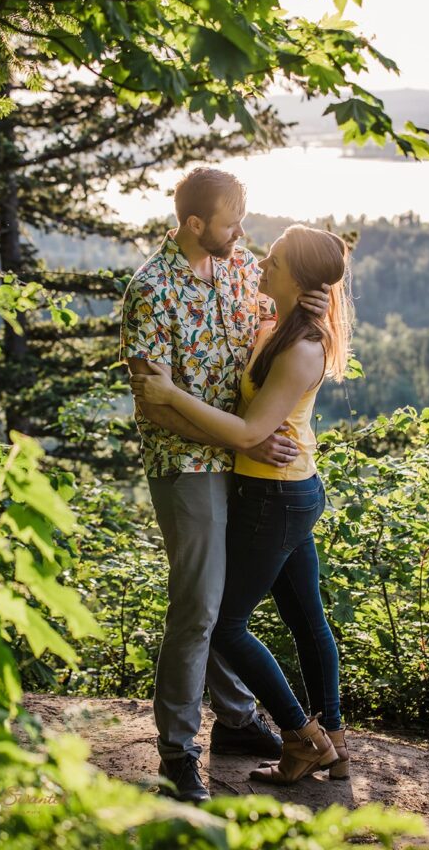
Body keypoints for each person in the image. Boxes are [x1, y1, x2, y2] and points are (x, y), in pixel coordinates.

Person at [119, 168, 329, 802]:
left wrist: (309, 306)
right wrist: (242, 436)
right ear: (194, 224)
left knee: (216, 602)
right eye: (232, 221)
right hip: (186, 464)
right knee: (201, 608)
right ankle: (177, 753)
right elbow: (154, 405)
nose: (243, 232)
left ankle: (236, 722)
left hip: (248, 464)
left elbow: (282, 325)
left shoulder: (240, 268)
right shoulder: (150, 289)